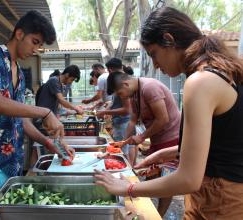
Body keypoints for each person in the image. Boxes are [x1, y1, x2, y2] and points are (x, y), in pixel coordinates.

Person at [95, 7, 243, 219]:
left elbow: (188, 179)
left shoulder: (200, 82)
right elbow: (222, 144)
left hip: (220, 201)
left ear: (169, 40)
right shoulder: (222, 71)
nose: (155, 65)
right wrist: (163, 154)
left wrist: (126, 188)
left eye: (153, 54)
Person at [0, 10, 74, 218]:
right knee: (2, 215)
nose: (35, 49)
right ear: (19, 33)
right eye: (34, 42)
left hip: (14, 162)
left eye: (39, 45)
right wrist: (45, 112)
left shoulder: (20, 74)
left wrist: (47, 142)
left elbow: (22, 120)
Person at [105, 71, 180, 217]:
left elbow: (163, 119)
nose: (121, 97)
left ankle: (158, 215)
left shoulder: (149, 87)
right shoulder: (134, 93)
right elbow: (133, 119)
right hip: (158, 138)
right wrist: (123, 142)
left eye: (120, 93)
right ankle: (147, 212)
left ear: (126, 84)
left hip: (171, 138)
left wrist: (142, 136)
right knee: (151, 176)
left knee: (165, 180)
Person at [95, 58, 133, 163]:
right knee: (126, 149)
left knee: (122, 151)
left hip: (123, 122)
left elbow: (127, 109)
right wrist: (107, 108)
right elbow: (116, 102)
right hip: (124, 122)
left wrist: (105, 112)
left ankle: (126, 174)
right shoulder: (122, 79)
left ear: (110, 70)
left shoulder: (122, 82)